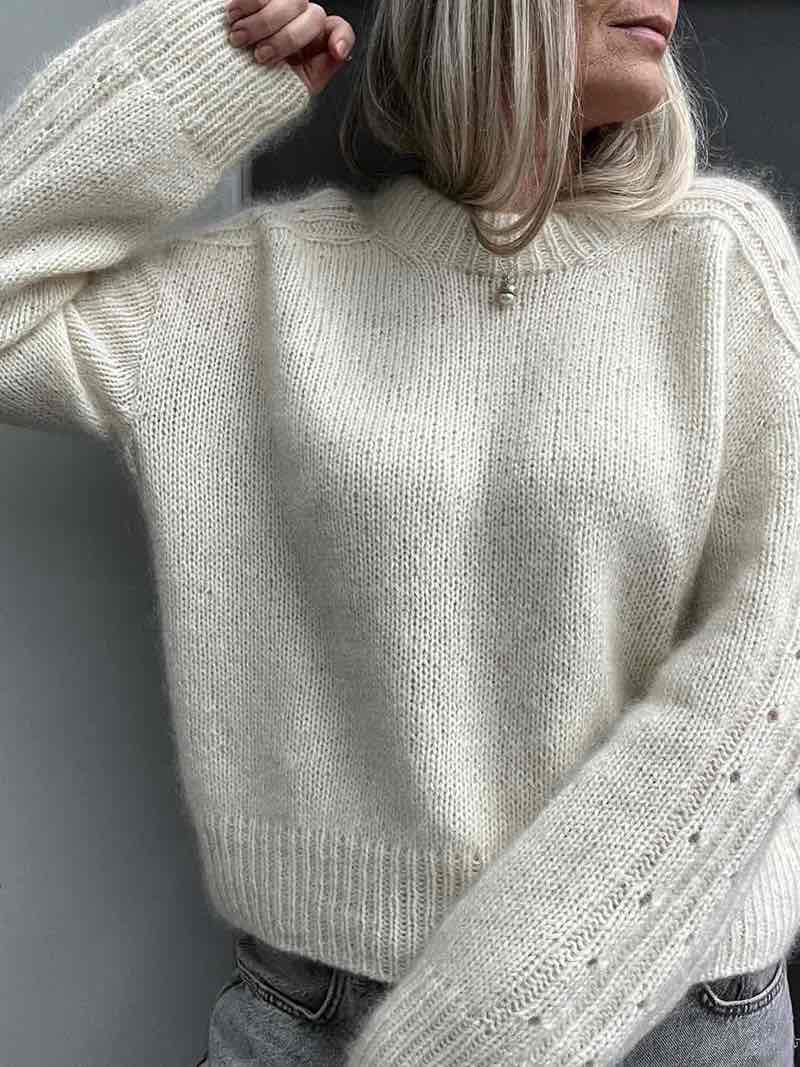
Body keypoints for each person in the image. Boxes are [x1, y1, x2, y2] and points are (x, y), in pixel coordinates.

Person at [1, 0, 799, 1064]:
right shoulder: (262, 289)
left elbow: (770, 657)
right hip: (316, 1017)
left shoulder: (721, 264)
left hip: (675, 1018)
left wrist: (495, 1014)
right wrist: (202, 67)